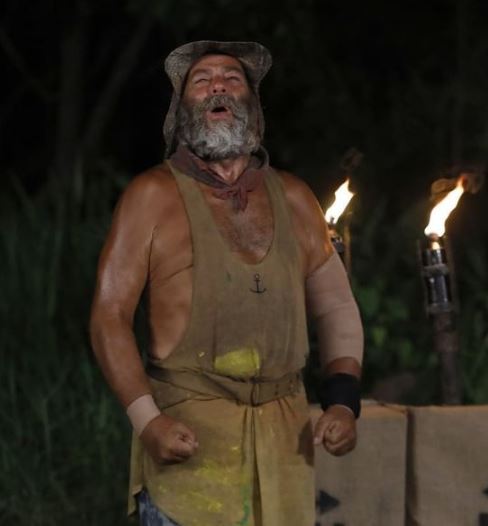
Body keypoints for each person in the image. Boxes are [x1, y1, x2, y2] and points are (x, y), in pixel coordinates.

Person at [89, 40, 363, 526]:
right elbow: (109, 317)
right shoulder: (151, 196)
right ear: (180, 111)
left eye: (232, 79)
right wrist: (148, 421)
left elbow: (336, 308)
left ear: (253, 107)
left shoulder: (296, 198)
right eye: (202, 81)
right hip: (190, 447)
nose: (218, 86)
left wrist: (343, 402)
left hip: (284, 450)